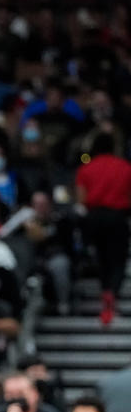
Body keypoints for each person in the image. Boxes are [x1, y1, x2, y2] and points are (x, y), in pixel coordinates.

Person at [75, 133, 131, 324]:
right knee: (118, 260)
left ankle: (105, 291)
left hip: (94, 218)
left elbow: (81, 200)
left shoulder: (86, 168)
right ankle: (111, 293)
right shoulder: (125, 167)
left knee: (102, 258)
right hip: (117, 217)